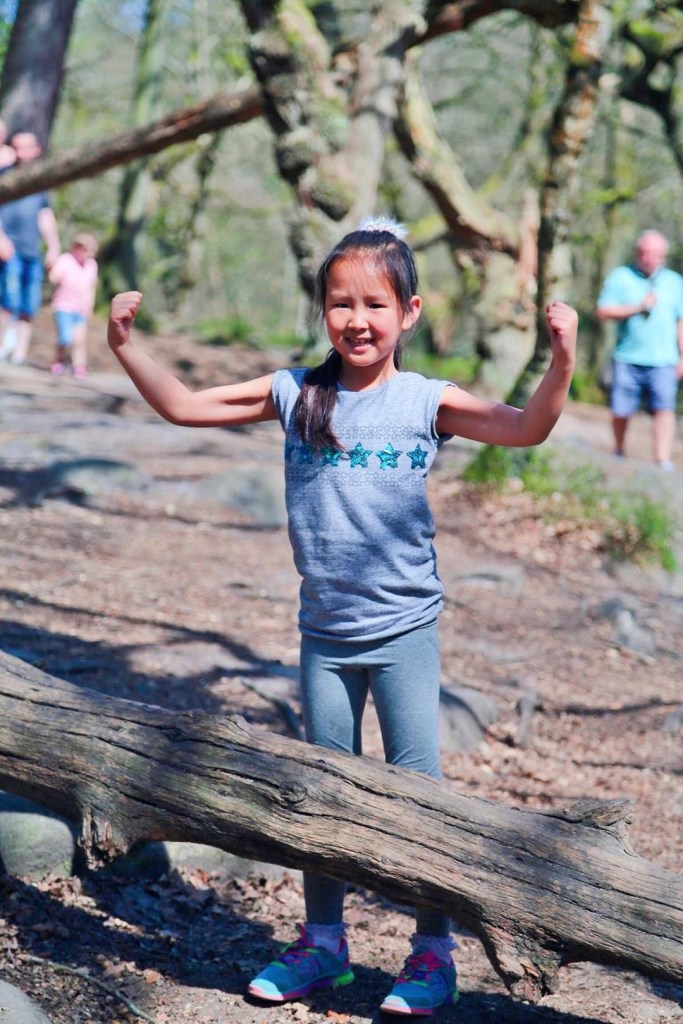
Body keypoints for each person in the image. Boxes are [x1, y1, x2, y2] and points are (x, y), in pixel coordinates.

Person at [107, 219, 578, 1017]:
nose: (356, 320)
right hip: (323, 635)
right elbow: (183, 406)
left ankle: (432, 953)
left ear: (410, 312)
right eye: (339, 303)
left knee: (417, 797)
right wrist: (124, 345)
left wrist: (562, 360)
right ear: (321, 309)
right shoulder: (294, 392)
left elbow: (524, 427)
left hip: (402, 634)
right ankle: (323, 946)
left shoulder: (425, 401)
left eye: (374, 304)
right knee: (317, 794)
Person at [596, 229, 683, 470]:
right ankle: (618, 451)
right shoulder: (620, 277)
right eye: (645, 253)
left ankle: (662, 459)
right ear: (637, 253)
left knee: (664, 409)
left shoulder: (675, 282)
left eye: (656, 254)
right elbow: (603, 311)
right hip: (627, 357)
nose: (650, 259)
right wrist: (638, 307)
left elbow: (681, 321)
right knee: (621, 410)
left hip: (664, 359)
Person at [0, 130, 60, 365]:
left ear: (36, 150)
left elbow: (44, 214)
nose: (22, 152)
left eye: (26, 147)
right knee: (8, 300)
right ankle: (2, 346)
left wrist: (53, 246)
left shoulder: (40, 182)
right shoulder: (4, 175)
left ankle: (20, 353)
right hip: (9, 250)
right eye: (17, 147)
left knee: (28, 305)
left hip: (31, 252)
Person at [49, 230, 99, 379]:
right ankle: (59, 360)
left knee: (79, 340)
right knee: (65, 338)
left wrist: (90, 306)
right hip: (63, 306)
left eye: (92, 251)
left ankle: (79, 366)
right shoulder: (65, 260)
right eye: (86, 250)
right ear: (76, 248)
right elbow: (53, 277)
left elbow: (91, 288)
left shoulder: (91, 265)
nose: (90, 254)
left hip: (81, 309)